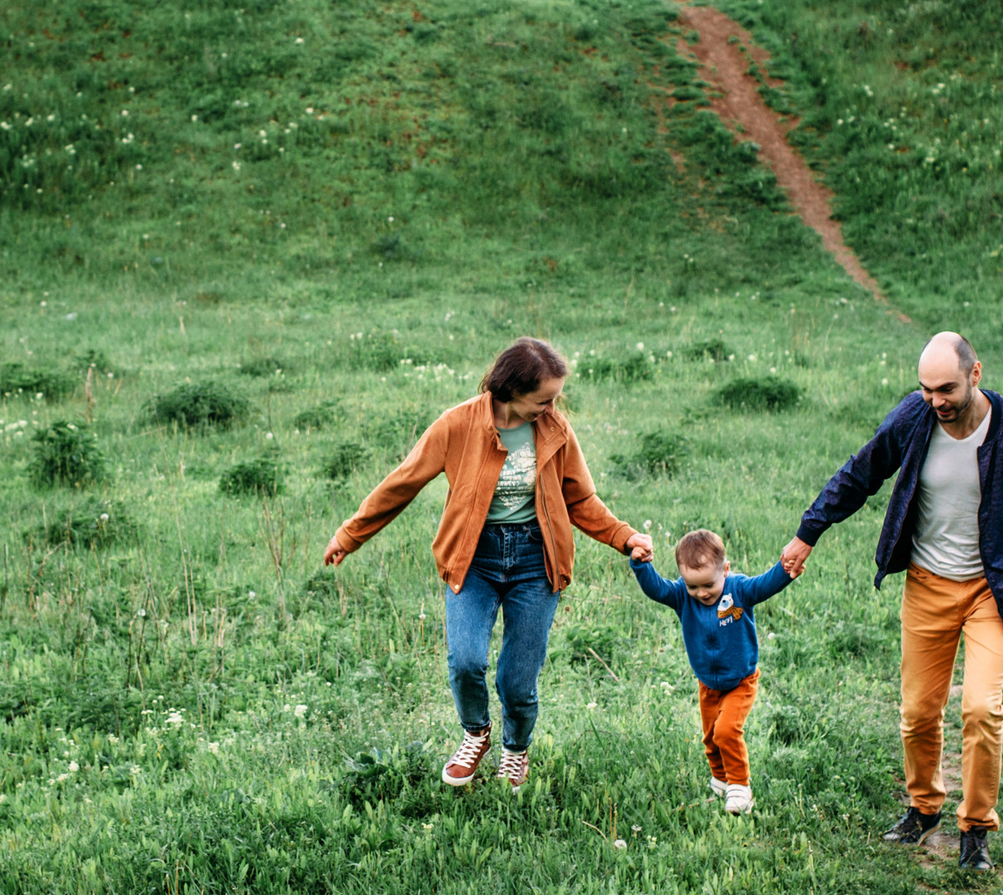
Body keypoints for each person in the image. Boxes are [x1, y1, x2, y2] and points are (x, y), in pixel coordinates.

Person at [777, 331, 1003, 871]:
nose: (937, 401)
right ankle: (923, 807)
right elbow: (859, 474)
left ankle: (975, 828)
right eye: (927, 389)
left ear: (976, 374)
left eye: (947, 388)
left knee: (981, 708)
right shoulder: (914, 418)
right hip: (928, 585)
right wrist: (807, 532)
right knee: (918, 712)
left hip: (992, 590)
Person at [325, 338, 654, 794]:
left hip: (536, 562)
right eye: (545, 398)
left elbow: (580, 499)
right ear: (512, 389)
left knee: (518, 680)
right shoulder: (457, 425)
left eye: (556, 397)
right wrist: (351, 534)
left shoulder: (555, 430)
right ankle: (476, 733)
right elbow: (402, 483)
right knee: (465, 661)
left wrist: (624, 536)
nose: (554, 406)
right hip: (473, 559)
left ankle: (515, 750)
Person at [632, 528, 797, 815]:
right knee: (710, 737)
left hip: (740, 680)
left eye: (708, 585)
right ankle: (720, 780)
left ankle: (740, 788)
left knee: (726, 730)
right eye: (692, 586)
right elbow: (657, 588)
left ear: (726, 570)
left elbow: (764, 585)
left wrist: (784, 570)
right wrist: (641, 564)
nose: (701, 593)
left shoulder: (739, 590)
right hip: (707, 683)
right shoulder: (683, 596)